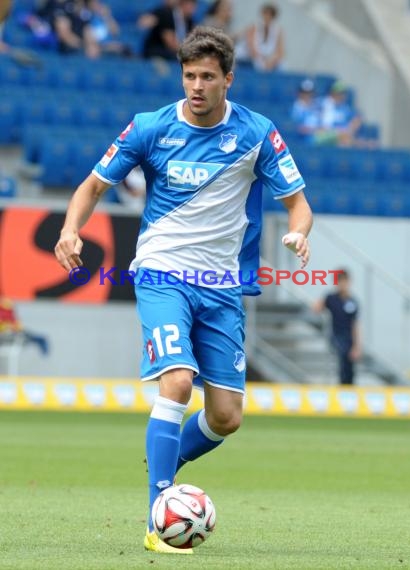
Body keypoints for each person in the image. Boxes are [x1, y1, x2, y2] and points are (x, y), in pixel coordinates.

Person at [54, 26, 312, 554]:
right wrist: (69, 229)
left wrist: (297, 232)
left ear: (228, 79)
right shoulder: (151, 127)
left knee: (225, 418)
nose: (196, 86)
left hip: (221, 287)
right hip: (162, 272)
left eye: (207, 77)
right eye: (189, 75)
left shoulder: (258, 133)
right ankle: (159, 514)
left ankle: (166, 459)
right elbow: (94, 184)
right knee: (175, 384)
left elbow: (299, 203)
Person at [313, 269, 361, 385]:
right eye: (340, 281)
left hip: (348, 337)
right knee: (342, 354)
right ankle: (342, 384)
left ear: (349, 282)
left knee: (349, 364)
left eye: (344, 281)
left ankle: (348, 386)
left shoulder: (353, 302)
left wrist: (357, 345)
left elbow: (355, 325)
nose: (342, 284)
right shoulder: (331, 298)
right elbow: (317, 308)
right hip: (336, 335)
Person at [236, 3, 284, 71]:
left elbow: (280, 52)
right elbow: (251, 48)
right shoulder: (253, 27)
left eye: (271, 14)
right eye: (266, 13)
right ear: (262, 14)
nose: (268, 16)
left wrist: (271, 61)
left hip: (266, 60)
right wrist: (262, 61)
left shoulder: (278, 31)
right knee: (258, 65)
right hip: (249, 57)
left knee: (281, 65)